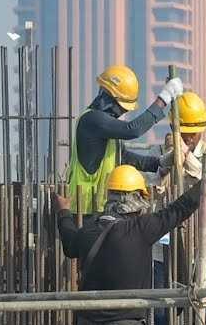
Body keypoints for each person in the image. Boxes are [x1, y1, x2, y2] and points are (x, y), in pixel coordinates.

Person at [56, 164, 202, 325]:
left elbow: (69, 243)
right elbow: (180, 208)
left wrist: (63, 211)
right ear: (135, 198)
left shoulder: (89, 230)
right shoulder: (139, 229)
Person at [67, 65, 184, 215]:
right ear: (110, 99)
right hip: (84, 211)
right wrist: (164, 98)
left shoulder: (106, 130)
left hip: (100, 209)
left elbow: (123, 157)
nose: (123, 112)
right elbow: (133, 129)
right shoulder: (92, 120)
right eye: (122, 107)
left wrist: (159, 163)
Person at [154, 91, 206, 325]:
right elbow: (154, 191)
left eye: (193, 135)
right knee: (162, 305)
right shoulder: (162, 151)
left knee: (202, 305)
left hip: (201, 243)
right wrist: (168, 162)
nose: (189, 139)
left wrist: (187, 158)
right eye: (184, 134)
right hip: (165, 243)